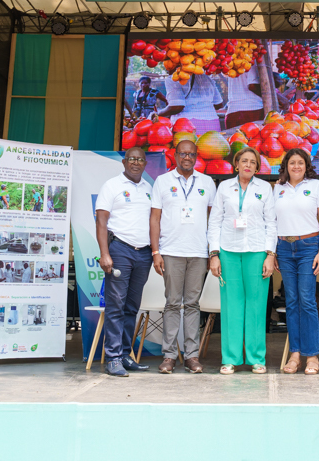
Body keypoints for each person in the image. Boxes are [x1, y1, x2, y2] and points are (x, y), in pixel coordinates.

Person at [207, 147, 277, 374]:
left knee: (257, 306)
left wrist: (270, 255)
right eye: (244, 161)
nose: (248, 165)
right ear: (236, 164)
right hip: (228, 251)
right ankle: (230, 358)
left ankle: (257, 358)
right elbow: (214, 221)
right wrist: (214, 254)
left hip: (257, 252)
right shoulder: (224, 187)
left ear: (257, 167)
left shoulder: (265, 188)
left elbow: (272, 223)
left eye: (252, 162)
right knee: (231, 305)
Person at [150, 139, 215, 374]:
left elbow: (213, 220)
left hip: (198, 253)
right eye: (183, 154)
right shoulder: (162, 181)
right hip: (171, 252)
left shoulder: (207, 182)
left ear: (196, 156)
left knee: (192, 305)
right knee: (172, 304)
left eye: (191, 154)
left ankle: (191, 356)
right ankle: (169, 356)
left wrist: (212, 251)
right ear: (175, 155)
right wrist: (156, 251)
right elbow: (155, 218)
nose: (187, 158)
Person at [94, 146, 154, 377]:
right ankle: (112, 357)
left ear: (145, 163)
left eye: (140, 160)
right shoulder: (112, 186)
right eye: (132, 159)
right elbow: (101, 222)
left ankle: (126, 356)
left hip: (143, 254)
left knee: (131, 307)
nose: (136, 163)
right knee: (116, 306)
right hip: (119, 250)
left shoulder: (149, 188)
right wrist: (104, 253)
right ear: (124, 162)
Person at [274, 148, 319, 375]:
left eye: (301, 163)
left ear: (307, 166)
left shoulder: (316, 186)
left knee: (307, 300)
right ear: (286, 165)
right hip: (284, 248)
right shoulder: (276, 188)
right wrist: (273, 252)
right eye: (292, 163)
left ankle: (312, 356)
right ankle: (295, 354)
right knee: (292, 302)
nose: (296, 166)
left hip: (308, 247)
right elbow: (271, 221)